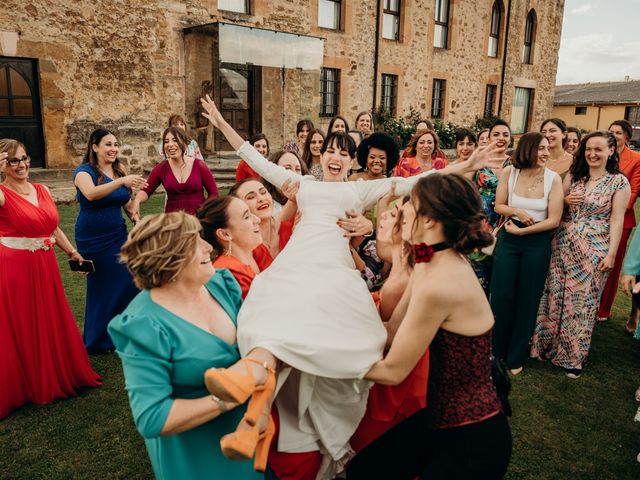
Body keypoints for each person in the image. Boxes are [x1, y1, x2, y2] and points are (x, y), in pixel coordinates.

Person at [199, 94, 501, 477]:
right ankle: (256, 412)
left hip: (335, 272)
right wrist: (220, 121)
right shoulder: (302, 185)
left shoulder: (359, 190)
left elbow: (417, 183)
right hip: (296, 265)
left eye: (345, 152)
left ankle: (272, 412)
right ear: (321, 155)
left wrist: (464, 165)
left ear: (352, 160)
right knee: (271, 311)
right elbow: (253, 158)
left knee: (329, 330)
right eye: (330, 150)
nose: (336, 156)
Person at [347, 174, 511, 480]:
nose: (404, 209)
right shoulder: (427, 256)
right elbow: (392, 329)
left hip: (472, 439)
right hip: (439, 417)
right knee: (364, 470)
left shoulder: (440, 283)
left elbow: (392, 370)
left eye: (413, 206)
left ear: (432, 221)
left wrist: (322, 359)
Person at [108, 212, 266, 479]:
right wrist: (230, 394)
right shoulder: (143, 324)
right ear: (169, 258)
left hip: (249, 433)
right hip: (195, 455)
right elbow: (152, 417)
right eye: (196, 242)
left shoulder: (221, 283)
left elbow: (255, 343)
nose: (208, 247)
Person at [0, 139, 101, 419]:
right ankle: (27, 383)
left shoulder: (41, 189)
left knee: (48, 318)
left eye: (24, 158)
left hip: (45, 264)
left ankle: (55, 371)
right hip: (16, 268)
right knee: (23, 324)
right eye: (14, 161)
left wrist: (72, 251)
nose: (22, 165)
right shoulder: (2, 194)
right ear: (4, 166)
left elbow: (52, 227)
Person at [530, 131, 630, 378]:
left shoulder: (619, 182)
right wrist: (564, 199)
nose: (592, 154)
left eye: (598, 149)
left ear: (610, 152)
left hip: (594, 249)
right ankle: (545, 347)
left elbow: (617, 220)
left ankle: (572, 358)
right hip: (562, 244)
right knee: (554, 296)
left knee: (582, 303)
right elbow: (556, 205)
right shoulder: (575, 176)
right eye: (588, 149)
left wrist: (612, 254)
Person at [350, 195, 429, 453]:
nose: (382, 215)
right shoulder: (399, 257)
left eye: (393, 214)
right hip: (393, 363)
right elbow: (381, 244)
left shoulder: (402, 282)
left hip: (393, 375)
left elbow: (389, 336)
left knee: (376, 446)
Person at [489, 132, 564, 375]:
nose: (545, 153)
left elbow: (554, 220)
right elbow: (498, 205)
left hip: (537, 242)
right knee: (501, 296)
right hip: (509, 239)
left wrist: (525, 232)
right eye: (539, 148)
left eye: (547, 148)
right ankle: (496, 350)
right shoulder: (510, 173)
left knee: (527, 299)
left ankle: (515, 356)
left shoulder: (553, 179)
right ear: (527, 150)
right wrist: (517, 212)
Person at [73, 128, 143, 353]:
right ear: (95, 147)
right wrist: (122, 181)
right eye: (108, 144)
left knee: (130, 281)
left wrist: (134, 210)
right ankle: (97, 340)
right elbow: (92, 194)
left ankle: (122, 334)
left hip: (117, 233)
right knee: (102, 287)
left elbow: (124, 201)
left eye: (115, 144)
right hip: (92, 238)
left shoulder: (120, 169)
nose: (113, 149)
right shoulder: (83, 172)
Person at [598, 120, 640, 327]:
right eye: (611, 131)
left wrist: (612, 210)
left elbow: (633, 191)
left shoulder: (636, 159)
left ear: (627, 137)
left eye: (618, 132)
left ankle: (604, 308)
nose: (614, 135)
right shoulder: (602, 153)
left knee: (612, 265)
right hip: (595, 219)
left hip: (621, 221)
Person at [131, 127, 218, 217]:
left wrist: (204, 210)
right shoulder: (161, 168)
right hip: (173, 222)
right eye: (166, 141)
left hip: (198, 219)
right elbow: (146, 190)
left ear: (184, 142)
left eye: (174, 140)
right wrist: (137, 200)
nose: (170, 144)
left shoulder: (199, 165)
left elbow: (214, 193)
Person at [197, 196, 272, 299]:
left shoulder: (245, 262)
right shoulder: (230, 274)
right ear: (225, 234)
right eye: (246, 217)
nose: (257, 219)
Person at [229, 178, 298, 259]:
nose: (261, 199)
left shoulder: (292, 227)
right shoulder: (243, 246)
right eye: (251, 197)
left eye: (263, 192)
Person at [264, 150, 307, 214]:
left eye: (298, 169)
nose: (294, 173)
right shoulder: (265, 205)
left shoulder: (307, 202)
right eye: (287, 169)